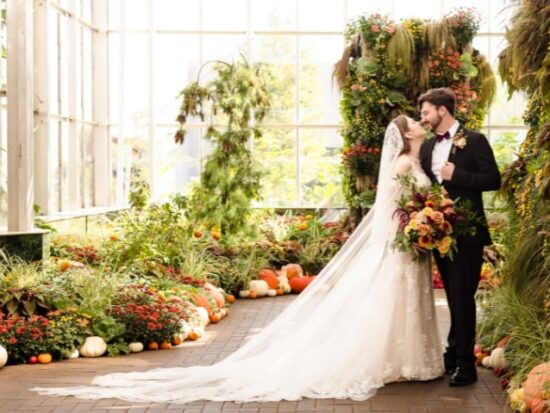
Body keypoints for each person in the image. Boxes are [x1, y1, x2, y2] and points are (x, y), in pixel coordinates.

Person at [34, 115, 444, 403]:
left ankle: (405, 360)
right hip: (403, 246)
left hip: (410, 244)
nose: (420, 125)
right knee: (394, 302)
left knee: (397, 304)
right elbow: (396, 210)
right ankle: (399, 361)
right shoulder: (405, 162)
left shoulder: (410, 160)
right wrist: (418, 227)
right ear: (404, 135)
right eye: (414, 123)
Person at [418, 88, 501, 386]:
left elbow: (493, 179)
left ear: (443, 110)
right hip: (439, 233)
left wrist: (459, 177)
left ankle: (466, 365)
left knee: (464, 298)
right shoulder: (427, 148)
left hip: (468, 234)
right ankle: (453, 352)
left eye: (426, 112)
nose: (423, 118)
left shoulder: (475, 140)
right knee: (453, 296)